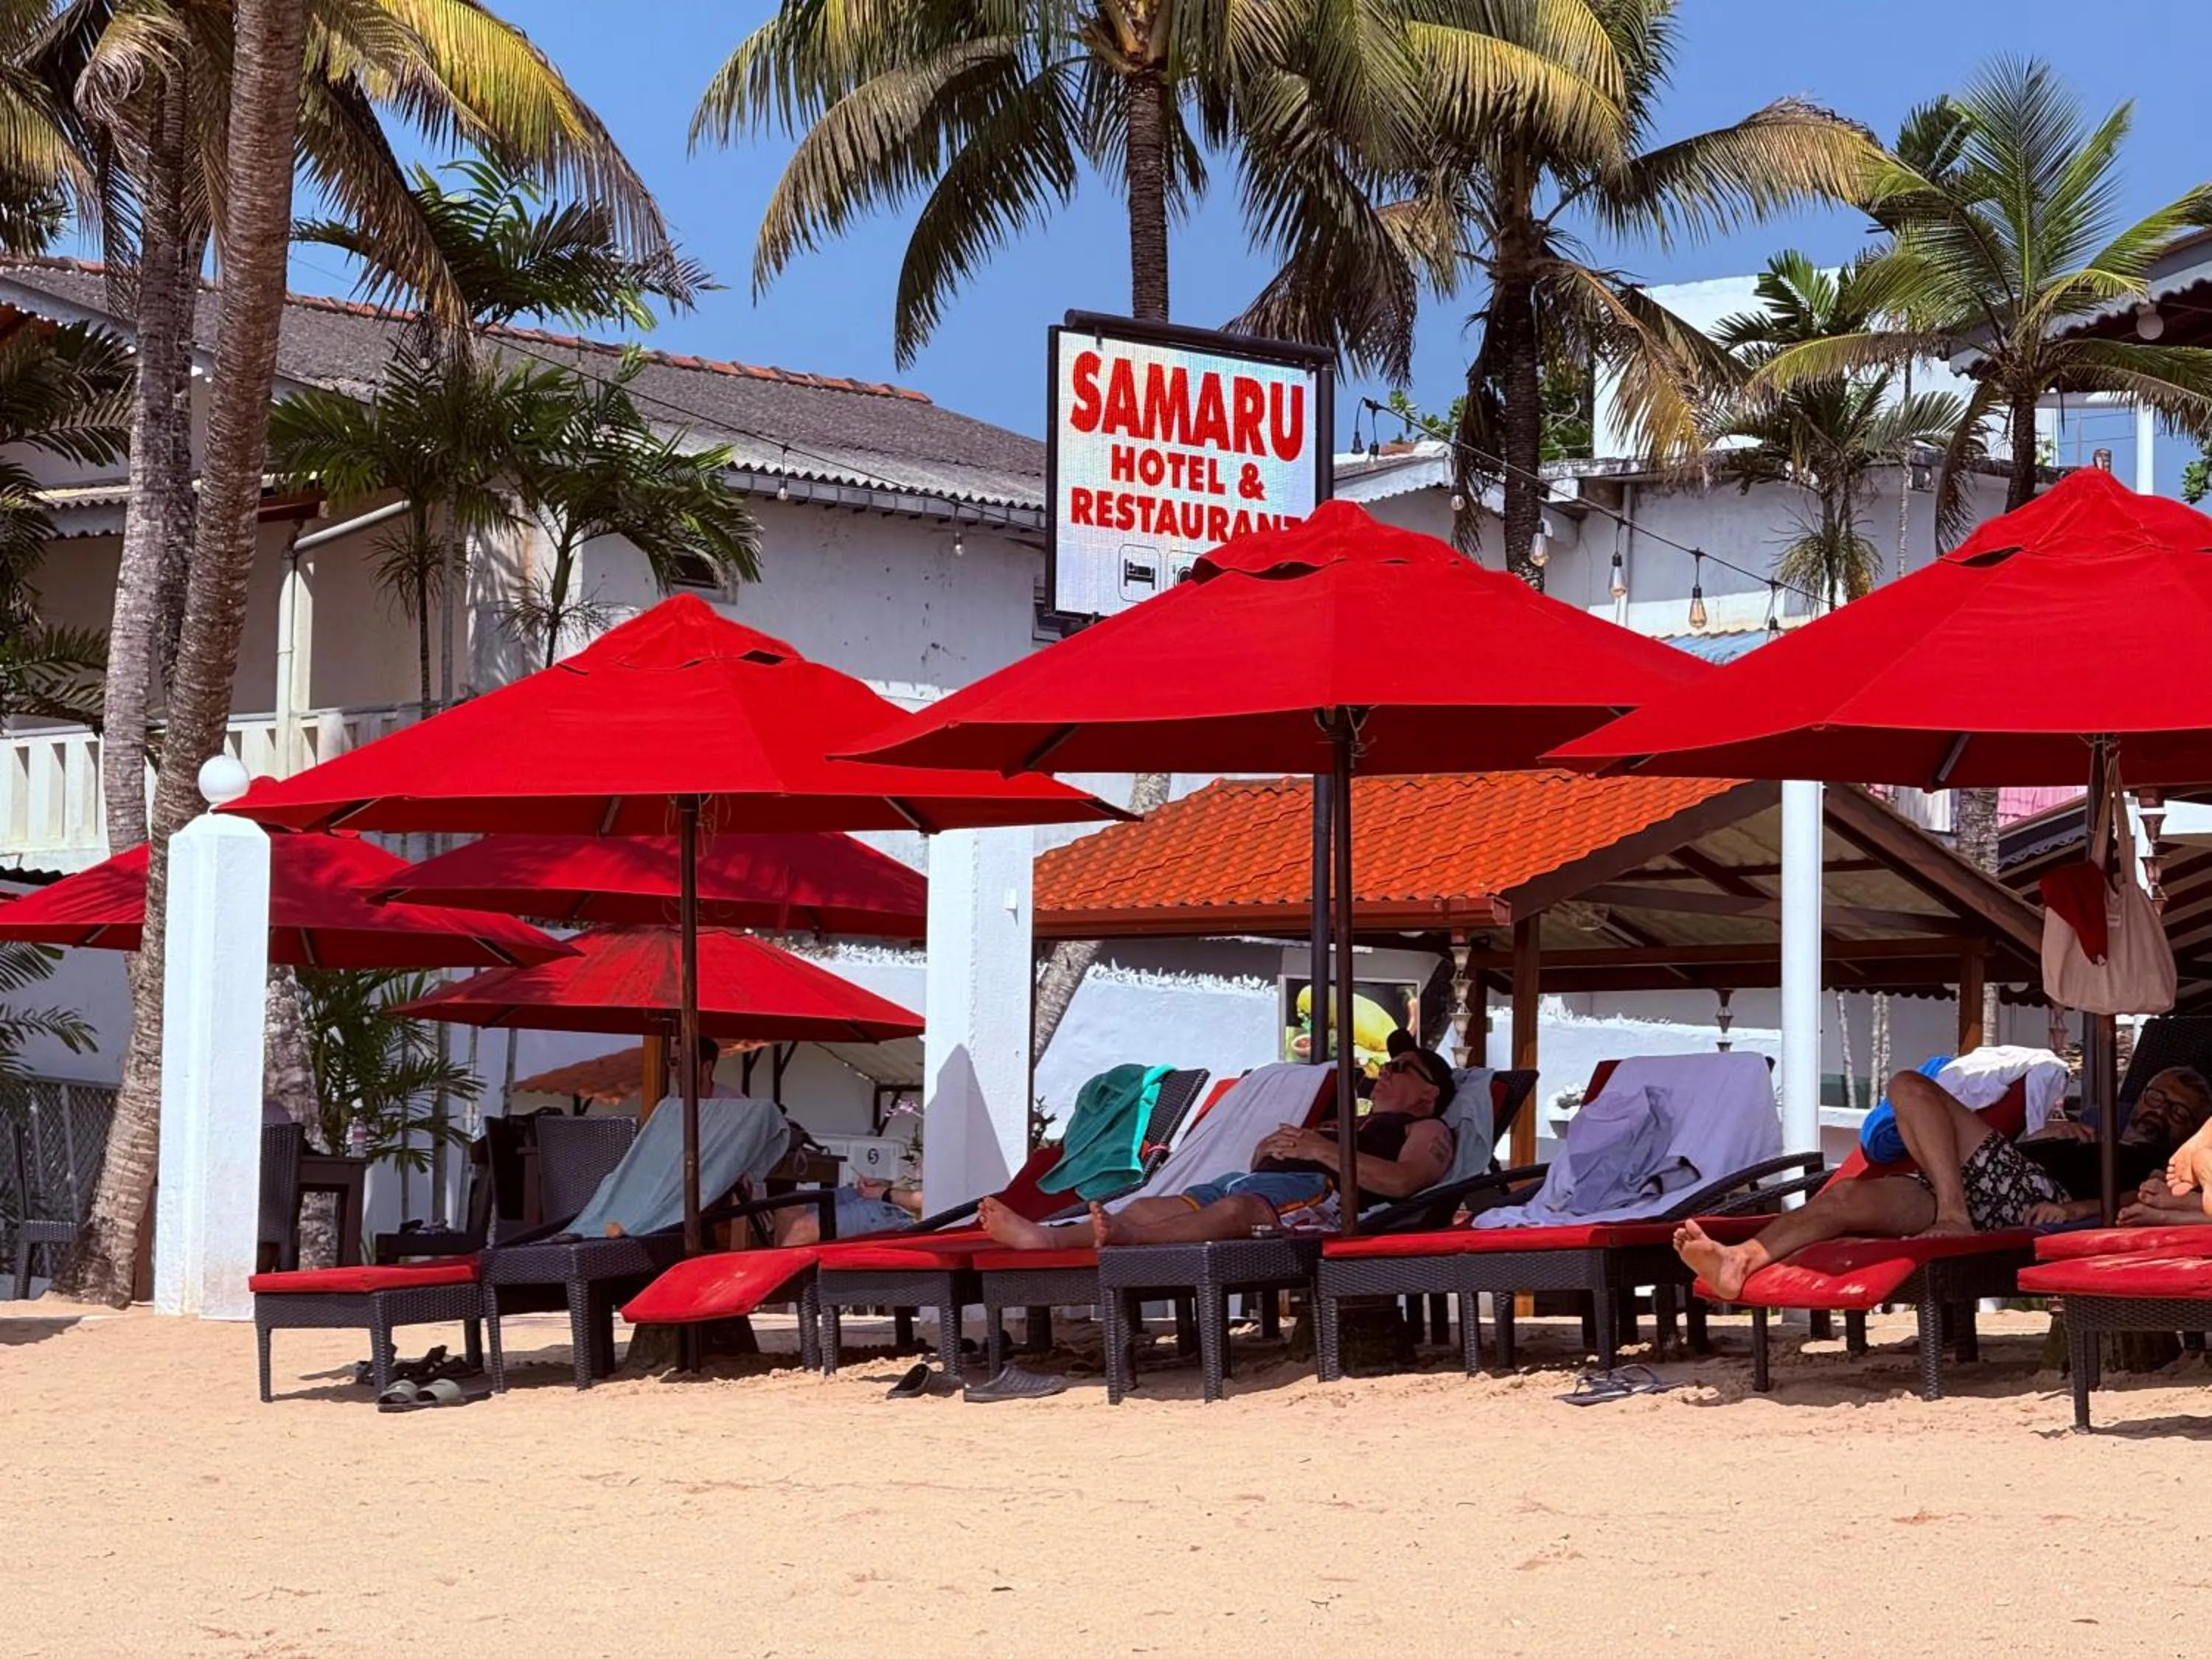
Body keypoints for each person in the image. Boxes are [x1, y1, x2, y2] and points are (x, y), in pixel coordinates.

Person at [1674, 1065, 2212, 1300]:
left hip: (2035, 1198)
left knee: (1909, 1086)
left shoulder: (2178, 1156)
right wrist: (2053, 1131)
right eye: (2155, 1098)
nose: (2160, 1113)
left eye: (2179, 1112)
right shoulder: (2094, 1124)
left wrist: (2078, 1211)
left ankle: (1951, 1215)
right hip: (1994, 1179)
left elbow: (2140, 1197)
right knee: (1843, 1198)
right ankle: (1740, 1259)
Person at [978, 1046, 1458, 1250]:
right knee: (1148, 1204)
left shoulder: (1427, 1129)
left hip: (1323, 1200)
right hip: (1264, 1184)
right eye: (1388, 1065)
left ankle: (1130, 1241)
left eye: (1401, 1067)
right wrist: (1271, 1150)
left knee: (1238, 1209)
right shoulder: (1357, 1122)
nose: (1386, 1072)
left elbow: (1403, 1182)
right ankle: (1048, 1239)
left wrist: (1320, 1151)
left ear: (1428, 1092)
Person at [773, 1174, 923, 1245]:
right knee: (789, 1206)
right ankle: (781, 1300)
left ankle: (772, 1294)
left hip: (903, 1213)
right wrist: (883, 1183)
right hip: (891, 1194)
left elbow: (927, 1203)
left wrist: (884, 1193)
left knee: (805, 1227)